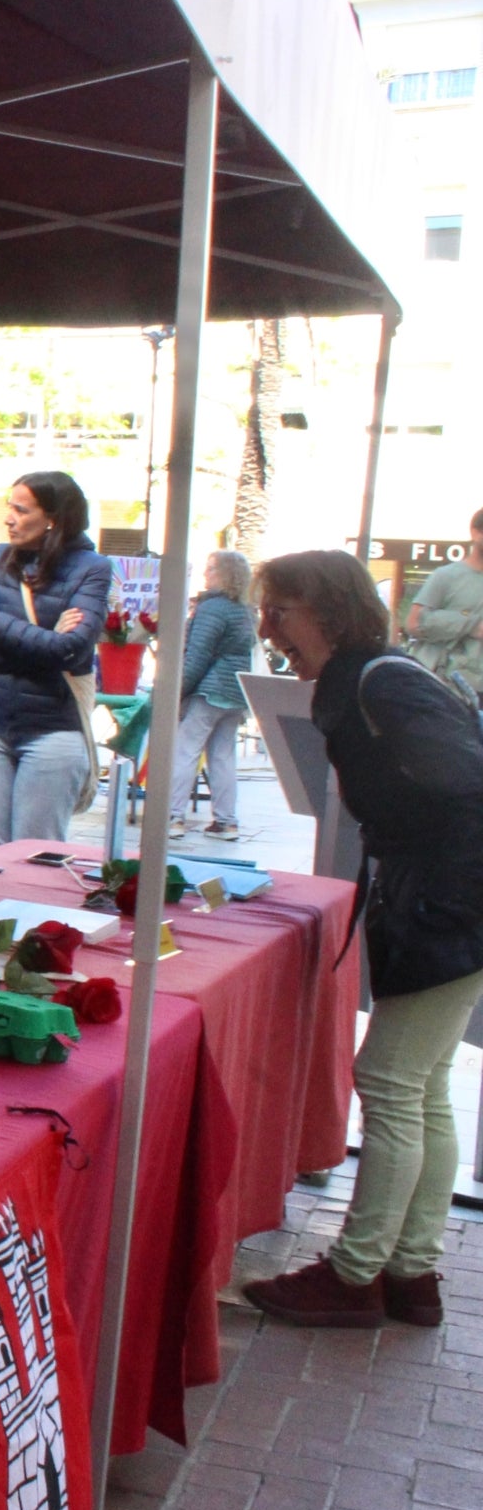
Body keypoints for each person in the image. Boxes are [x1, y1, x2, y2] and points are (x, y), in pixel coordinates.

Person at [241, 552, 483, 1328]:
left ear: (332, 612)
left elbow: (466, 779)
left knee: (388, 1081)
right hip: (447, 896)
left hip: (448, 900)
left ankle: (356, 1275)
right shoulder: (378, 673)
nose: (267, 625)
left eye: (281, 609)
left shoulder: (382, 677)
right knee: (421, 1086)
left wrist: (425, 865)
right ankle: (411, 1273)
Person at [0, 471, 112, 848]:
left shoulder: (93, 568)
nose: (8, 518)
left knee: (35, 853)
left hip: (52, 732)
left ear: (53, 518)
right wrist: (44, 643)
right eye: (9, 507)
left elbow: (72, 648)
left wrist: (0, 625)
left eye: (20, 509)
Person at [166, 550, 255, 839]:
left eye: (211, 568)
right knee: (223, 756)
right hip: (235, 691)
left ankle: (173, 817)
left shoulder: (212, 608)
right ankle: (226, 821)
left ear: (225, 574)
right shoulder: (244, 609)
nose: (206, 574)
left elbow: (197, 655)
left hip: (210, 690)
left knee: (185, 750)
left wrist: (177, 692)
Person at [405, 508, 483, 688]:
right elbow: (414, 623)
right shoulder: (446, 576)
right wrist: (469, 624)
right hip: (444, 683)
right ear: (475, 532)